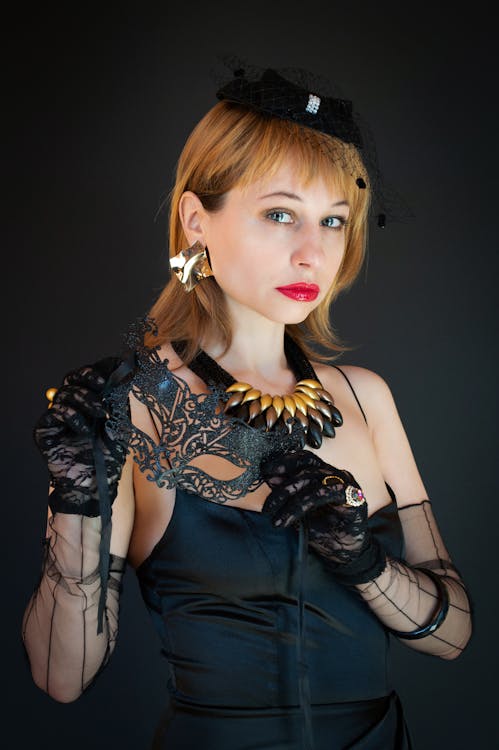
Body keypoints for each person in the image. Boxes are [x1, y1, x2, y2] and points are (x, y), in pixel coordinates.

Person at [22, 63, 473, 750]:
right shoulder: (130, 406)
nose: (311, 251)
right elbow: (63, 676)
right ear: (196, 220)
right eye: (280, 213)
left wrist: (362, 562)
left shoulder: (363, 395)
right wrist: (77, 495)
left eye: (332, 221)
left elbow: (453, 636)